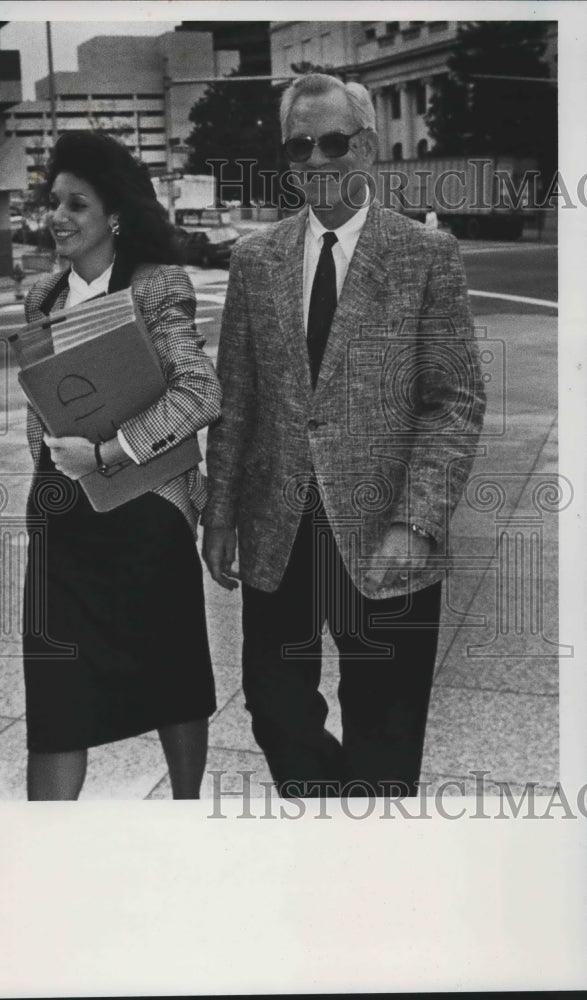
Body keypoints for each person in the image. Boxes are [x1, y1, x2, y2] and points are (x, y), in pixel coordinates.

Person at [203, 74, 486, 798]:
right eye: (299, 145)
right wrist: (219, 514)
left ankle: (370, 864)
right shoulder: (255, 260)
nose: (316, 159)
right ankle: (336, 814)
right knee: (273, 708)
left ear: (364, 146)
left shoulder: (426, 256)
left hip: (385, 526)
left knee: (384, 727)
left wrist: (416, 522)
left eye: (333, 142)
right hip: (279, 526)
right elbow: (235, 399)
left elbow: (452, 401)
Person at [21, 131, 221, 800]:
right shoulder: (42, 298)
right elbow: (40, 401)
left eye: (77, 204)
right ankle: (42, 853)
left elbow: (200, 392)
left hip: (146, 517)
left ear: (114, 217)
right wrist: (53, 470)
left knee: (173, 679)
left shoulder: (156, 286)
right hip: (63, 519)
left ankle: (187, 813)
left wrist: (109, 452)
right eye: (53, 203)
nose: (58, 217)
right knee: (54, 700)